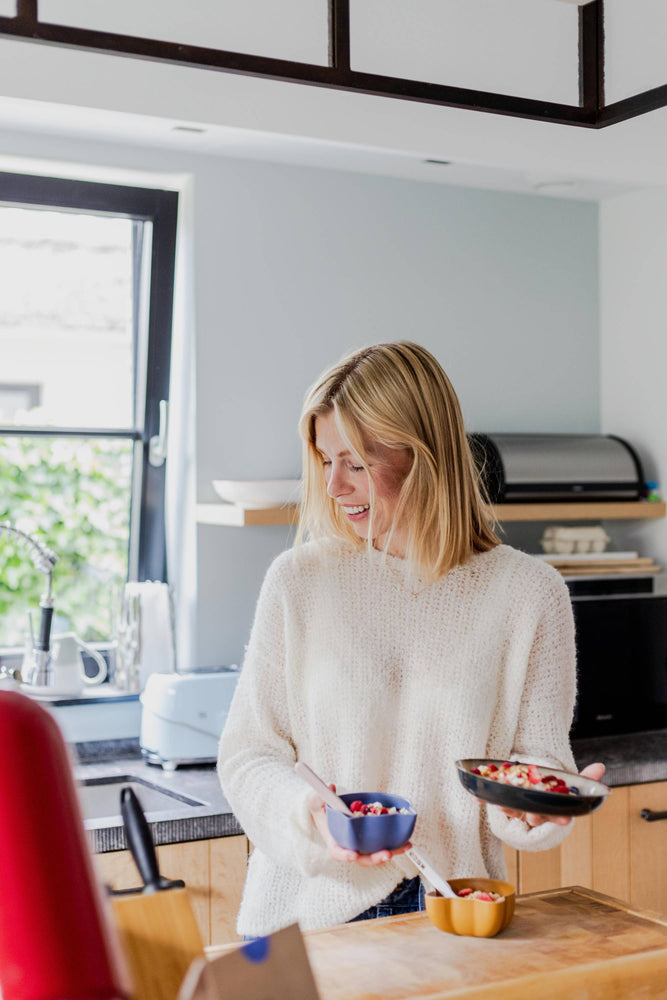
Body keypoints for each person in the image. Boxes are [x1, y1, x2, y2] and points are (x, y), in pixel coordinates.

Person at [218, 341, 604, 938]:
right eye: (325, 461)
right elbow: (249, 756)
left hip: (450, 911)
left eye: (356, 462)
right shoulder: (299, 582)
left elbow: (535, 760)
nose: (336, 487)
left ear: (423, 452)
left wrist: (533, 806)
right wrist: (309, 818)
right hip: (307, 918)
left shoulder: (528, 593)